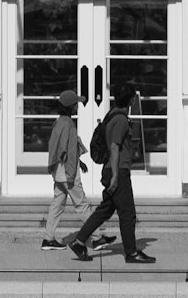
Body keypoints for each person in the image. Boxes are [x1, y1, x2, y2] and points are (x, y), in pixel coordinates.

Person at [65, 99, 156, 264]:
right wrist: (115, 176)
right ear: (130, 99)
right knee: (127, 214)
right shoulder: (120, 119)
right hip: (118, 171)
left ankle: (79, 242)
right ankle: (131, 252)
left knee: (105, 210)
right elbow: (114, 146)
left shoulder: (112, 115)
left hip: (112, 170)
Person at [35, 104, 89, 243]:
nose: (77, 106)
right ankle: (97, 237)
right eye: (75, 104)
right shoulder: (68, 124)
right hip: (67, 172)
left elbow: (63, 146)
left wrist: (79, 162)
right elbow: (66, 149)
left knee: (57, 204)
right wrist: (71, 171)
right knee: (82, 204)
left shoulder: (59, 122)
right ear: (70, 106)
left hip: (58, 171)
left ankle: (48, 239)